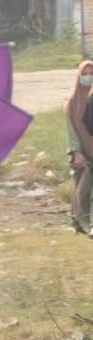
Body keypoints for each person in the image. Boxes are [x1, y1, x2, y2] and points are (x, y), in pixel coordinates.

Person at [71, 61, 93, 235]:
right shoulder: (74, 101)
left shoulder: (90, 98)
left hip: (90, 149)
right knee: (81, 189)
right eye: (85, 73)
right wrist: (77, 152)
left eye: (91, 73)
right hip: (78, 151)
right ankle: (80, 221)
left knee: (84, 189)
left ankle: (81, 222)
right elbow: (71, 130)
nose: (88, 77)